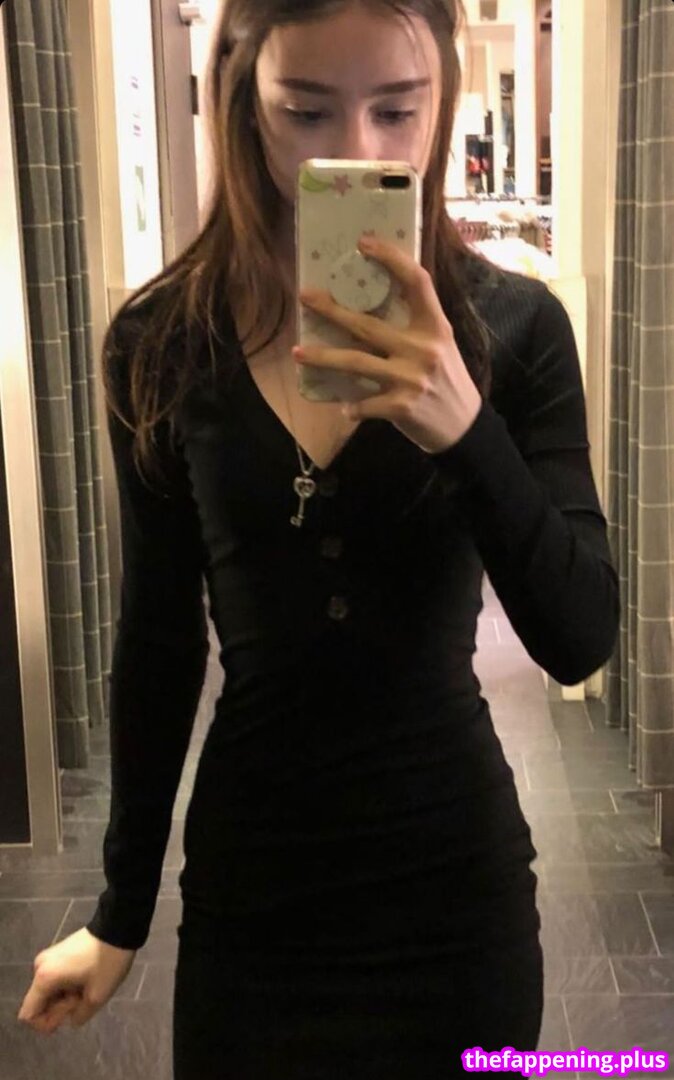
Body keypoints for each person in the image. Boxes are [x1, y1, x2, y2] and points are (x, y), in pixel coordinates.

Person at [17, 1, 620, 1076]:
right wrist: (119, 912)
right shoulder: (162, 342)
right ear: (244, 101)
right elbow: (157, 644)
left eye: (397, 109)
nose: (355, 151)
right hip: (252, 906)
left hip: (455, 904)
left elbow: (578, 637)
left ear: (442, 101)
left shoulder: (515, 330)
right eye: (306, 112)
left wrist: (464, 429)